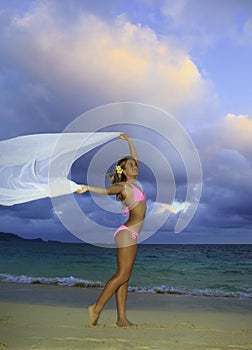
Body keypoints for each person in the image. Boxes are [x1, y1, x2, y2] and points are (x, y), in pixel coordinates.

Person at [76, 134, 146, 327]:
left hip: (132, 234)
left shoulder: (134, 183)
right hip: (126, 233)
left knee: (125, 276)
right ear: (123, 171)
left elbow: (136, 159)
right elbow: (107, 191)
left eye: (135, 165)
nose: (135, 166)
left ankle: (121, 319)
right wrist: (87, 188)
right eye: (130, 165)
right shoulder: (122, 186)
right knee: (122, 275)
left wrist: (130, 141)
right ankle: (96, 308)